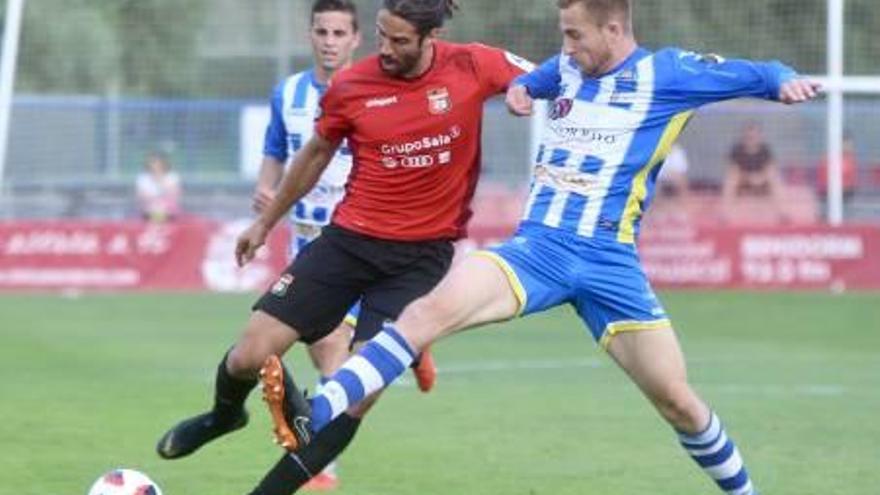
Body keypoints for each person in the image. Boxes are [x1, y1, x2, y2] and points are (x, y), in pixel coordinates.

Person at [285, 1, 820, 494]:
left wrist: (786, 81)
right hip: (537, 249)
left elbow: (760, 72)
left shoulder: (670, 74)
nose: (564, 47)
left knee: (678, 402)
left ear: (613, 29)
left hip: (611, 264)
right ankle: (318, 406)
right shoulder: (566, 66)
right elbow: (540, 77)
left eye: (573, 35)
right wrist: (524, 90)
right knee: (426, 311)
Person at [159, 1, 531, 494]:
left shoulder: (473, 63)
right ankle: (223, 416)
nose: (387, 49)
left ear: (430, 36)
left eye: (400, 41)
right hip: (348, 243)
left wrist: (524, 91)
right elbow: (314, 154)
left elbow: (546, 73)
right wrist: (265, 222)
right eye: (382, 35)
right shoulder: (352, 86)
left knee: (356, 392)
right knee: (251, 351)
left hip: (421, 259)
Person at [248, 1, 437, 489]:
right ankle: (414, 342)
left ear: (356, 40)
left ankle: (320, 470)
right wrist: (266, 187)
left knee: (336, 356)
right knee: (327, 352)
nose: (330, 40)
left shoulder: (380, 95)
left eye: (339, 33)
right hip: (310, 246)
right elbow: (276, 151)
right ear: (310, 35)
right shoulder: (286, 94)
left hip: (362, 244)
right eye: (322, 31)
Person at [721, 121, 788, 222]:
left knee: (775, 178)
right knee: (731, 178)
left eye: (754, 135)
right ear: (745, 136)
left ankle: (782, 213)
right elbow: (734, 170)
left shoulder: (765, 150)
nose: (751, 138)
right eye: (749, 135)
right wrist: (749, 178)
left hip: (762, 182)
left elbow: (771, 169)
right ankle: (725, 215)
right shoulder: (737, 150)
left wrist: (760, 178)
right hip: (743, 182)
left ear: (759, 136)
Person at [135, 151, 181, 222]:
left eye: (156, 162)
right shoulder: (143, 178)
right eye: (152, 162)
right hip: (149, 209)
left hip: (168, 210)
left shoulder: (172, 177)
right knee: (152, 210)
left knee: (165, 210)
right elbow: (142, 196)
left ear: (163, 163)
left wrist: (160, 179)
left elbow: (174, 194)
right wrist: (155, 200)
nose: (154, 165)